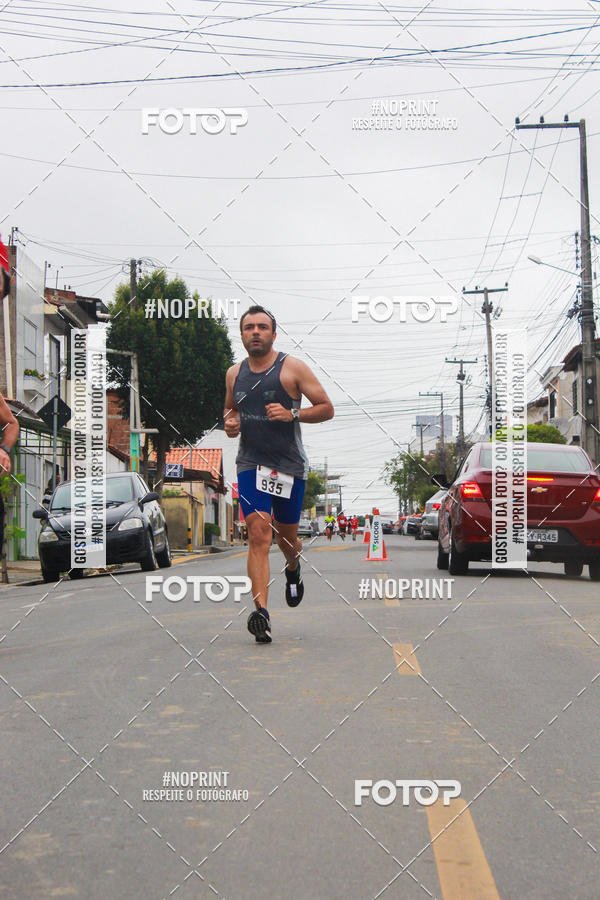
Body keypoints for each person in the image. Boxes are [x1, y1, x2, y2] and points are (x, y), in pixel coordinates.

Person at [224, 305, 334, 643]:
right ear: (242, 334)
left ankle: (293, 567)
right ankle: (261, 613)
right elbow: (230, 409)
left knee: (287, 540)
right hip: (250, 464)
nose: (255, 332)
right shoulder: (234, 374)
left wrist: (293, 414)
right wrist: (230, 423)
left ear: (273, 334)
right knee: (258, 533)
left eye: (262, 327)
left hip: (288, 466)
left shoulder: (292, 368)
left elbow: (327, 408)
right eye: (249, 327)